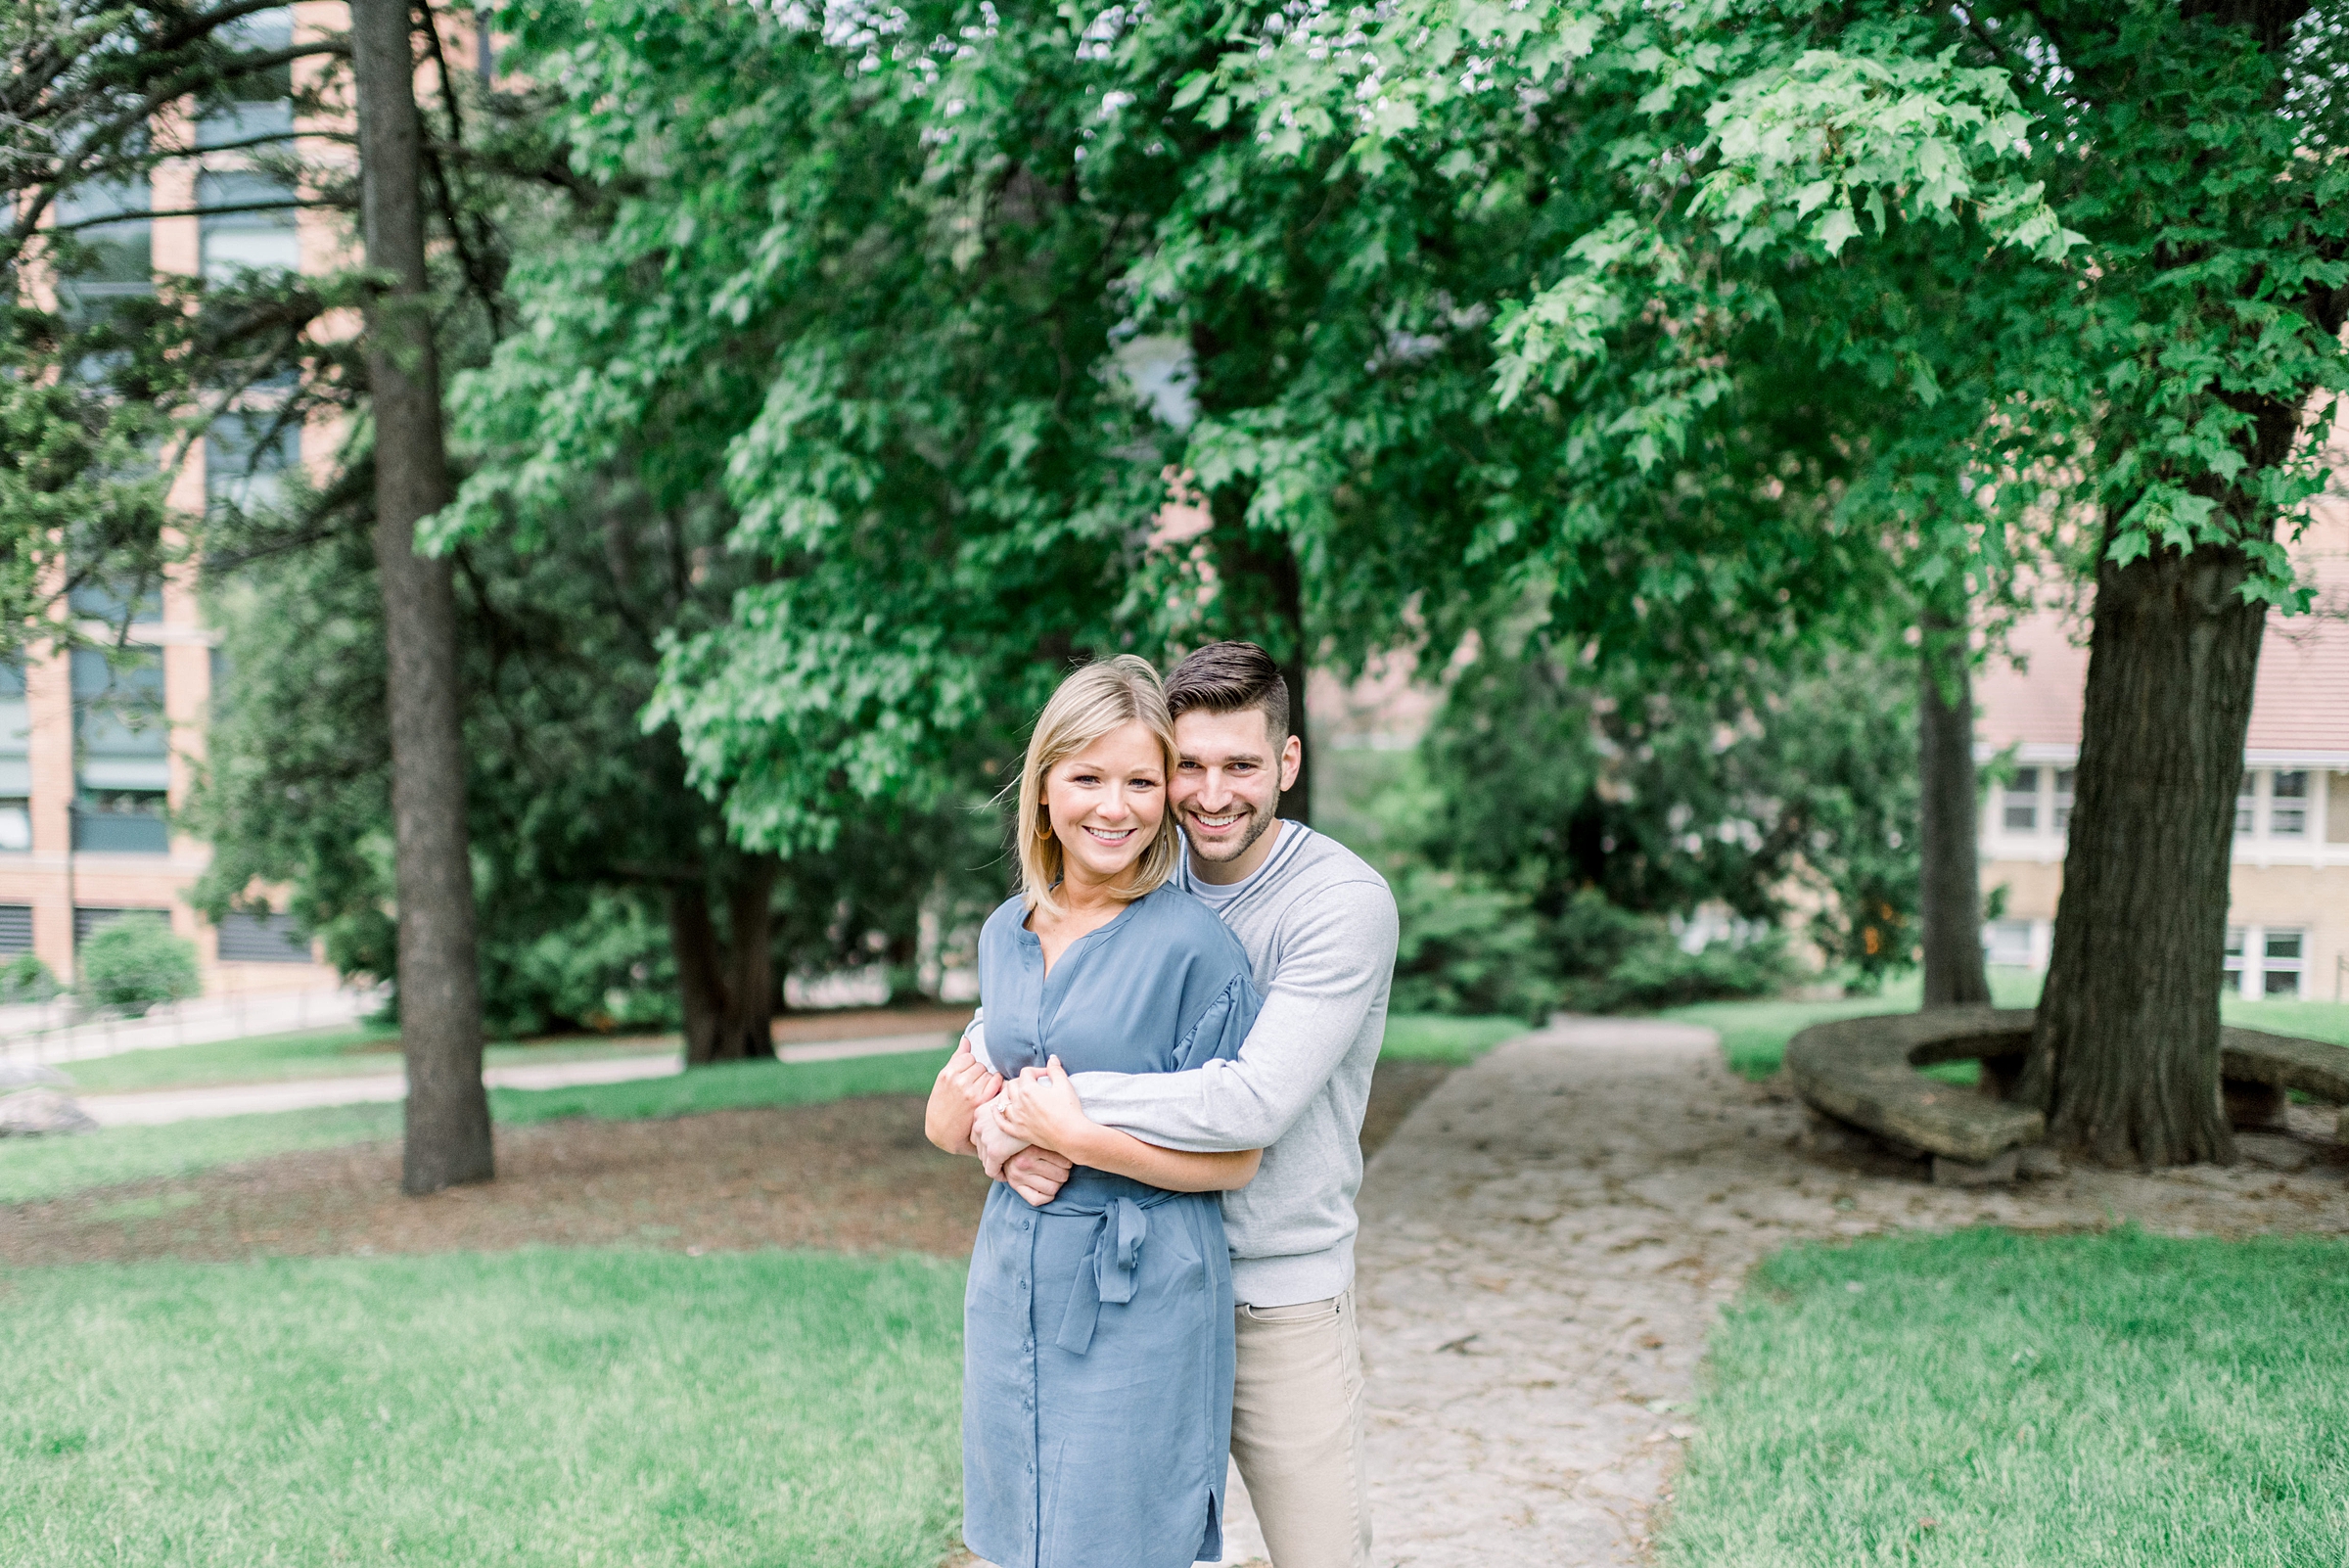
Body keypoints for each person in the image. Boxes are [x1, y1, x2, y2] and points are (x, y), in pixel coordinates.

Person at [970, 640, 1400, 1568]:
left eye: (1242, 765)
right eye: (1189, 768)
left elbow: (1250, 1102)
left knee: (1322, 1555)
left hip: (1273, 1291)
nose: (1212, 794)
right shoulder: (1133, 872)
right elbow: (998, 1042)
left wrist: (1055, 1110)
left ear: (1287, 763)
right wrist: (1002, 1132)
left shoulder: (1339, 902)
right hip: (1137, 1297)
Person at [924, 655, 1266, 1568]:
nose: (1114, 807)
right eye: (1087, 778)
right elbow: (963, 1107)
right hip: (1010, 1276)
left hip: (1143, 1286)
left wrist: (1079, 1140)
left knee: (1120, 1542)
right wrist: (989, 1143)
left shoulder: (1199, 949)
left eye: (1141, 782)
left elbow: (1236, 1161)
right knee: (1017, 1537)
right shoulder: (1005, 933)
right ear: (1042, 792)